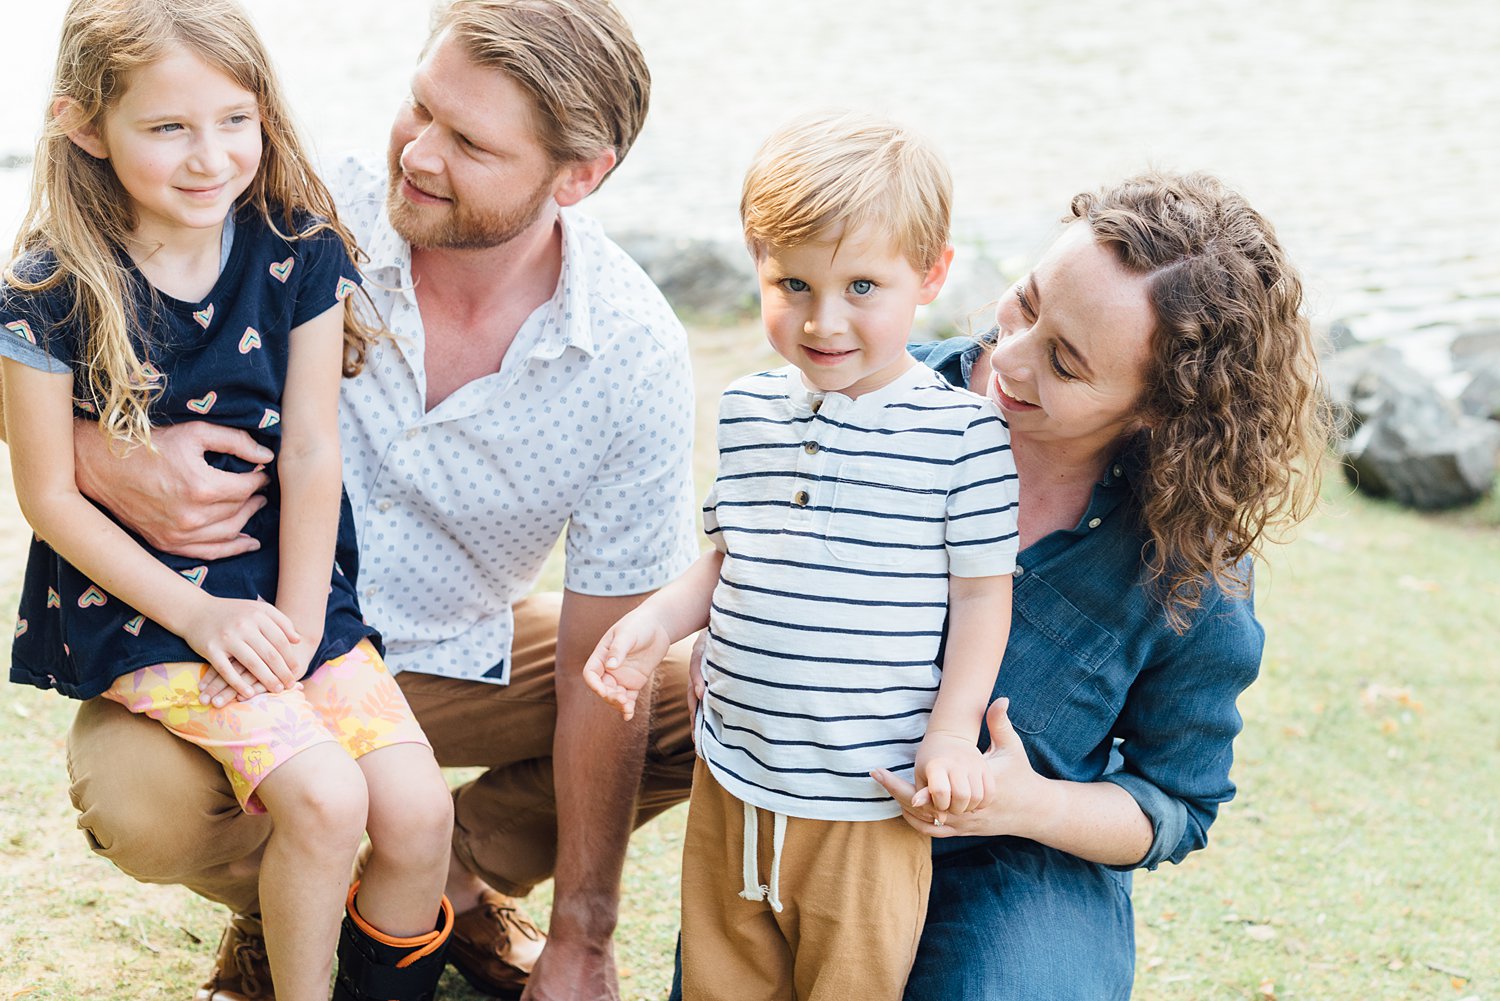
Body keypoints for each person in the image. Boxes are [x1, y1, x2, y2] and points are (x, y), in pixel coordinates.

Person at [6, 1, 699, 999]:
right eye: (419, 107)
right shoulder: (292, 196)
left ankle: (444, 880)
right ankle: (296, 904)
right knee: (140, 798)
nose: (418, 152)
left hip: (450, 654)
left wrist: (585, 933)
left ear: (580, 175)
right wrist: (97, 452)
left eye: (468, 142)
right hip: (235, 636)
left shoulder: (633, 353)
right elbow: (50, 332)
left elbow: (609, 658)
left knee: (708, 685)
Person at [661, 170, 1329, 1000]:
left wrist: (1023, 805)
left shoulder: (1190, 571)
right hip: (804, 793)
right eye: (1027, 302)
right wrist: (718, 633)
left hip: (1007, 855)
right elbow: (750, 539)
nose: (1005, 357)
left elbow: (1175, 804)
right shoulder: (873, 382)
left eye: (1066, 362)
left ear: (1159, 407)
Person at [0, 1, 456, 1000]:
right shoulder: (47, 287)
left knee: (419, 812)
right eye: (167, 127)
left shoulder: (296, 247)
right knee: (328, 796)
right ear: (85, 126)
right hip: (150, 610)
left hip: (290, 590)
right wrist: (204, 614)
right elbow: (47, 495)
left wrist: (296, 622)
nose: (209, 157)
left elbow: (313, 452)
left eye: (234, 119)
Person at [584, 112, 1019, 1000]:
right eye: (794, 283)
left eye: (864, 285)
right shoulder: (747, 411)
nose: (825, 321)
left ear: (930, 274)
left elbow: (981, 598)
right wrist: (656, 620)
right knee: (720, 979)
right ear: (758, 263)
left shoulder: (964, 434)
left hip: (865, 797)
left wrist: (949, 730)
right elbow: (727, 558)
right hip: (735, 774)